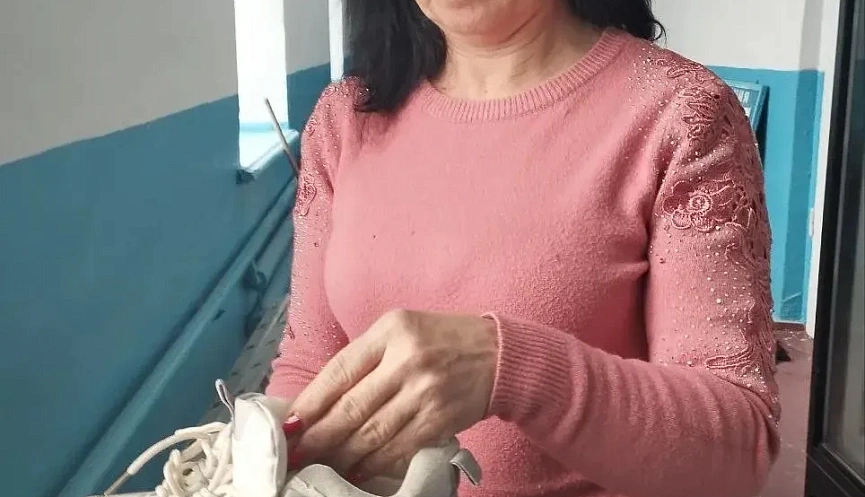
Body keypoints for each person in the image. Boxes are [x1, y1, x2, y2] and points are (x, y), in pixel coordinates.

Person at [266, 1, 781, 496]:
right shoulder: (344, 118)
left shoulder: (681, 114)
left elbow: (739, 453)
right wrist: (264, 455)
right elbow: (310, 367)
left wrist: (509, 369)